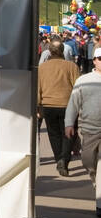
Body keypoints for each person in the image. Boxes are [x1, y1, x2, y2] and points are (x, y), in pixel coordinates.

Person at [65, 48, 101, 216]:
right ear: (94, 60)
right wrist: (69, 123)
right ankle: (96, 182)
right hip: (89, 129)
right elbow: (73, 103)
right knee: (88, 162)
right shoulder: (83, 80)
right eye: (99, 58)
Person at [38, 40, 80, 174]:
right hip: (68, 105)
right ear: (63, 50)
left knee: (54, 134)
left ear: (49, 51)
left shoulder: (42, 67)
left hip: (48, 105)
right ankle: (64, 160)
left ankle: (59, 159)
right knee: (69, 134)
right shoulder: (71, 66)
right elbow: (78, 87)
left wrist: (38, 106)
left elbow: (37, 88)